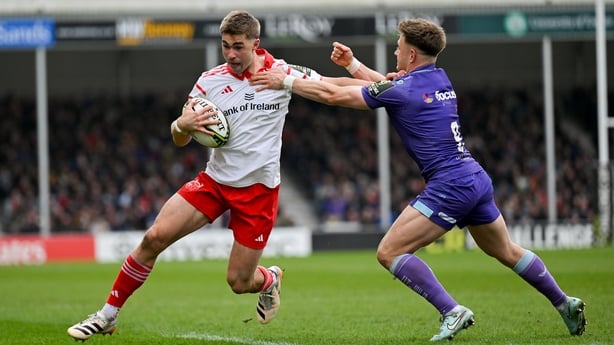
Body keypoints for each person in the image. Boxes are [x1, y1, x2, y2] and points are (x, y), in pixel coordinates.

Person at [250, 18, 587, 342]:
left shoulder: (405, 88)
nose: (396, 53)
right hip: (475, 177)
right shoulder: (439, 78)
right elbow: (387, 87)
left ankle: (451, 310)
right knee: (507, 251)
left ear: (411, 54)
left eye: (398, 47)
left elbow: (336, 96)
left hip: (450, 184)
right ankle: (564, 302)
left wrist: (287, 82)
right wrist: (353, 65)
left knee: (389, 252)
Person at [66, 10, 338, 341]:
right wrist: (183, 125)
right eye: (225, 46)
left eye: (238, 46)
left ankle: (268, 280)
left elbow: (332, 87)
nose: (232, 54)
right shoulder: (209, 81)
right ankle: (107, 315)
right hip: (214, 183)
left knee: (239, 282)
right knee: (154, 238)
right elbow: (179, 134)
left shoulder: (281, 73)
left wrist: (380, 83)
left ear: (256, 43)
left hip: (258, 193)